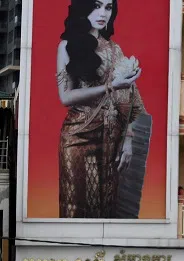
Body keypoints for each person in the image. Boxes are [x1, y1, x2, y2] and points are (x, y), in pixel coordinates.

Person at [58, 0, 147, 218]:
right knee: (75, 207)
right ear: (83, 8)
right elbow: (65, 97)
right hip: (78, 136)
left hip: (111, 138)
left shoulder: (116, 50)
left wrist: (127, 139)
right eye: (96, 6)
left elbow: (130, 98)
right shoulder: (67, 45)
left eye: (108, 7)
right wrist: (109, 86)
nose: (102, 13)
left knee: (107, 207)